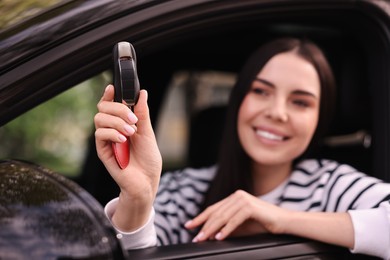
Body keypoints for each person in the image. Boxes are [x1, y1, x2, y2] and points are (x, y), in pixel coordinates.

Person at [94, 37, 390, 259]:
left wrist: (278, 219)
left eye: (300, 102)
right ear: (238, 102)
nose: (277, 112)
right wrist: (137, 199)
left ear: (319, 120)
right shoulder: (183, 189)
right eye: (261, 91)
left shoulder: (329, 184)